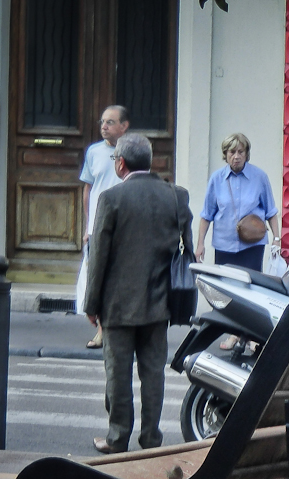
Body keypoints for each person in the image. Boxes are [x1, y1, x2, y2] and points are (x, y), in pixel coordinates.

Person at [85, 134, 193, 455]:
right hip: (161, 302)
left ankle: (117, 438)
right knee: (153, 374)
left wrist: (92, 304)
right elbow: (186, 250)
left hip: (118, 304)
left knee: (118, 374)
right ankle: (151, 440)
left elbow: (98, 257)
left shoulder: (111, 198)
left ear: (120, 163)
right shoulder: (177, 197)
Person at [78, 105, 129, 349]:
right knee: (96, 276)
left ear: (124, 126)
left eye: (110, 122)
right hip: (97, 226)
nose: (104, 126)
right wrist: (87, 225)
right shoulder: (94, 152)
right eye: (102, 122)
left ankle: (115, 328)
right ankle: (100, 329)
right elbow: (88, 189)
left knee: (116, 276)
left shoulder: (133, 149)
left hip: (123, 224)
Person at [196, 133, 279, 272]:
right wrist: (200, 245)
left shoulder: (260, 177)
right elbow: (206, 215)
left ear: (246, 154)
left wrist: (276, 240)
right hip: (224, 246)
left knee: (251, 287)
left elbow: (271, 212)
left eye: (241, 152)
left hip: (252, 245)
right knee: (225, 288)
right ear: (225, 154)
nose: (236, 157)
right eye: (232, 152)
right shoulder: (216, 179)